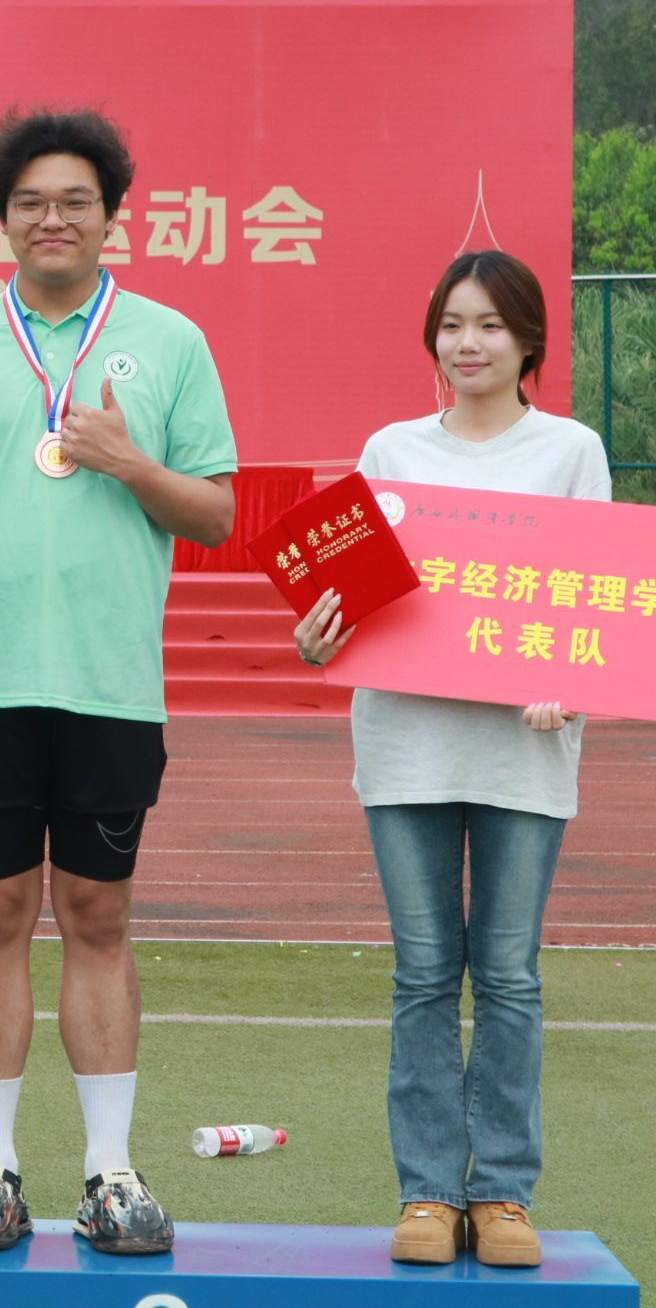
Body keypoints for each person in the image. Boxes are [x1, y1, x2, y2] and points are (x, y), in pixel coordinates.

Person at [0, 108, 235, 1256]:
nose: (53, 218)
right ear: (1, 218)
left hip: (109, 683)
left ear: (110, 216)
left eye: (75, 201)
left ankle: (110, 1173)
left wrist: (128, 461)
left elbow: (216, 513)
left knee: (99, 914)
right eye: (31, 202)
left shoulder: (170, 341)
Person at [296, 251, 608, 1271]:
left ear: (529, 340)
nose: (468, 344)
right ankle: (429, 1192)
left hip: (525, 750)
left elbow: (594, 606)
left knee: (509, 976)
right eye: (452, 325)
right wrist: (319, 637)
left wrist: (572, 679)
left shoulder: (571, 451)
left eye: (490, 325)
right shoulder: (391, 451)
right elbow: (348, 608)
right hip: (408, 747)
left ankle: (503, 1193)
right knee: (425, 974)